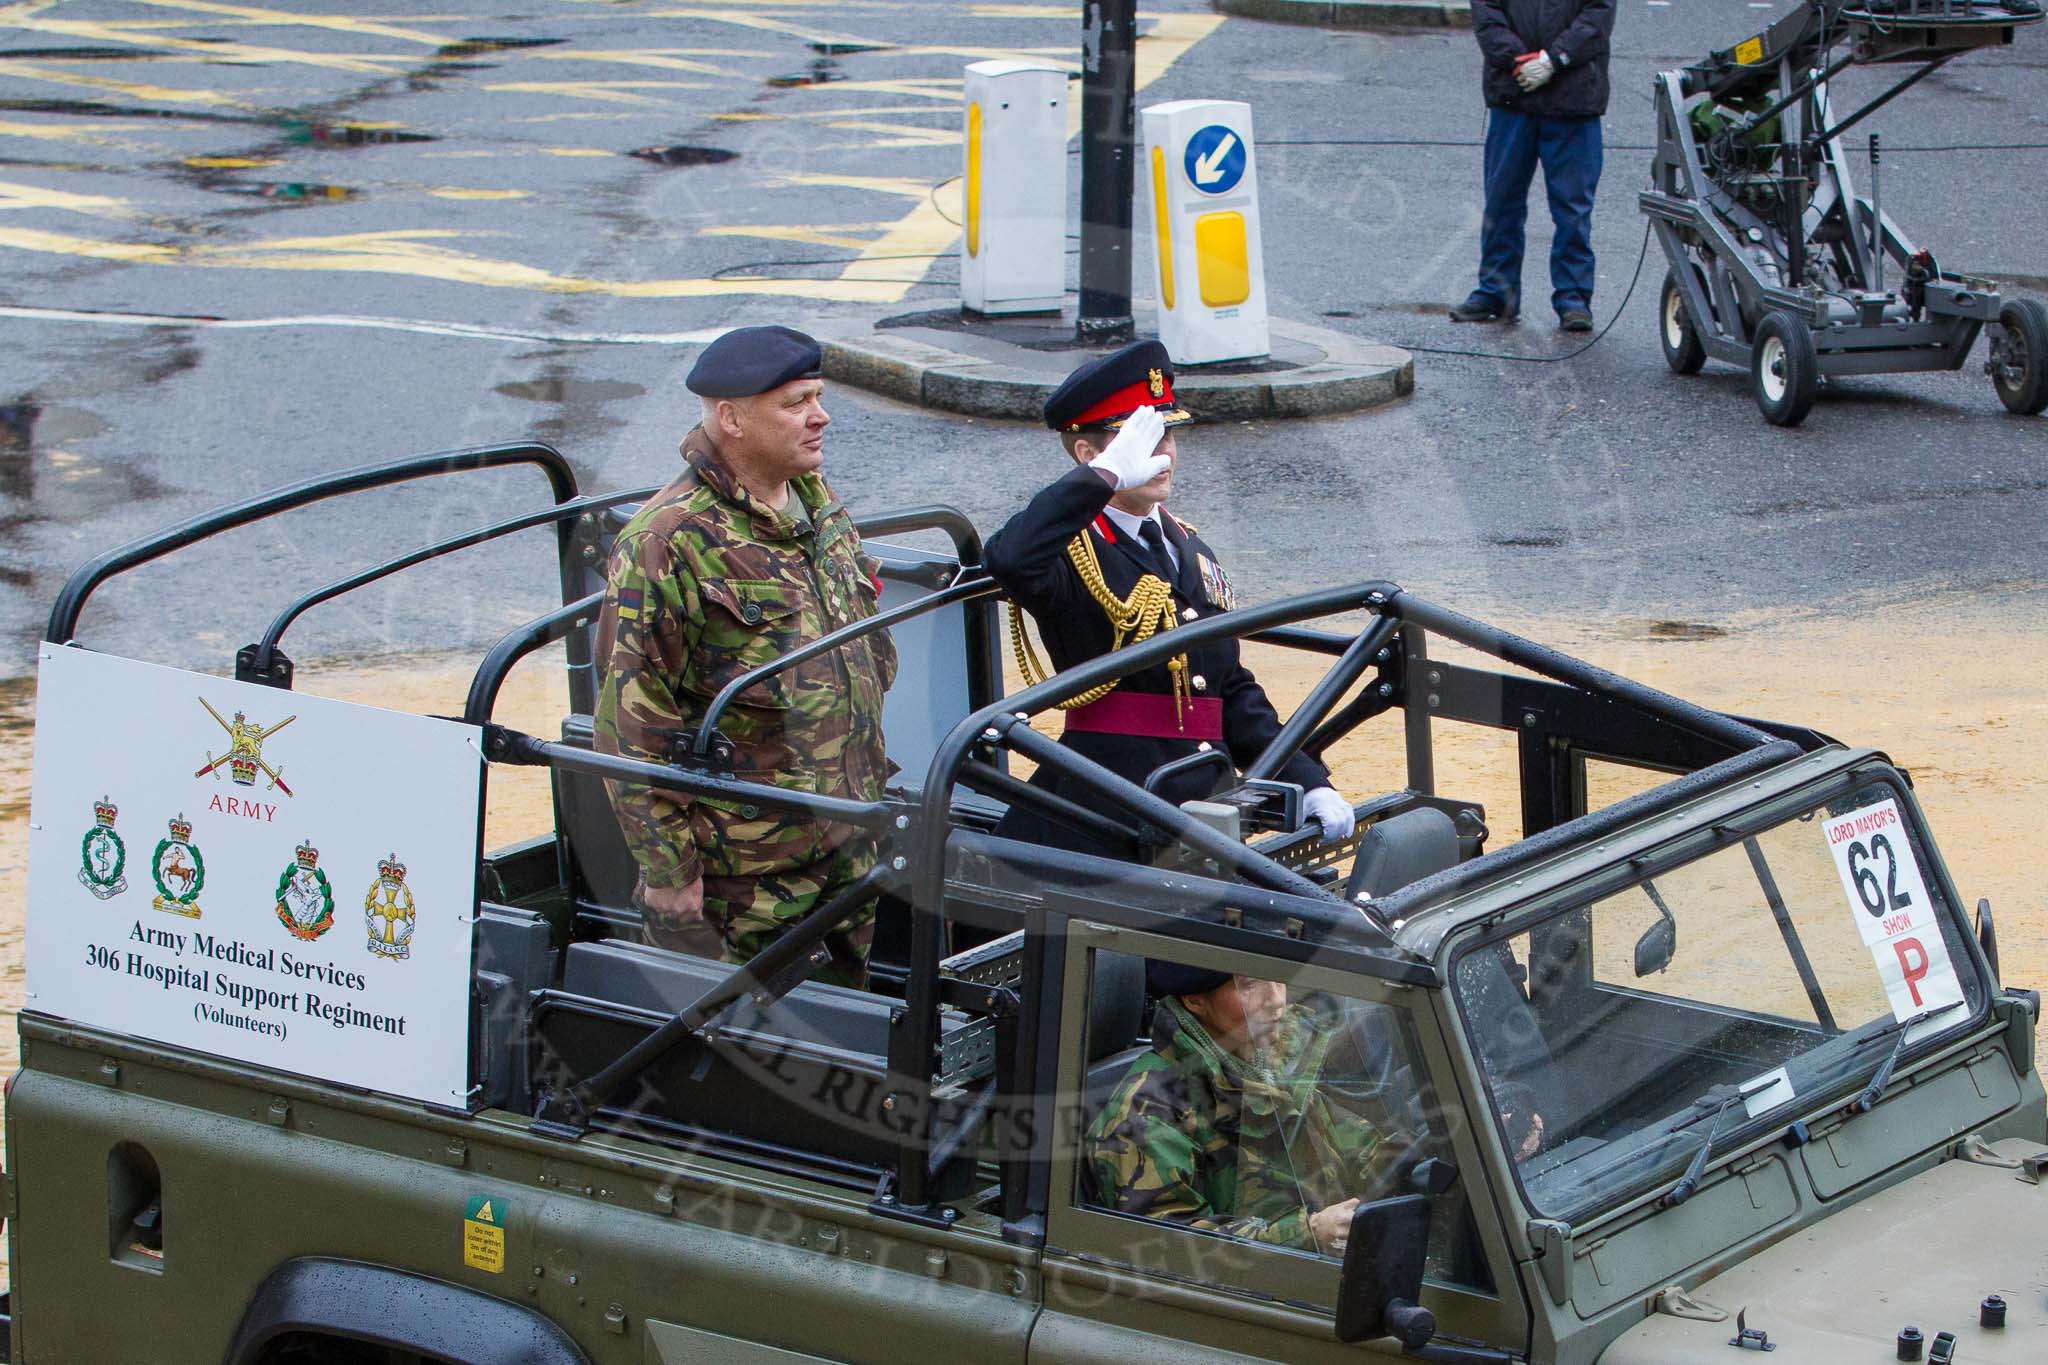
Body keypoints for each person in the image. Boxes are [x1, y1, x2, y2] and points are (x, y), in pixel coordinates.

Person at [593, 325, 895, 988]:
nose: (822, 416)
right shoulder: (669, 539)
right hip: (745, 881)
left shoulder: (814, 500)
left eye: (817, 396)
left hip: (845, 846)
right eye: (796, 403)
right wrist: (671, 872)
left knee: (849, 1044)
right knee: (742, 1073)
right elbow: (629, 726)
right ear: (731, 418)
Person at [982, 340, 1357, 858]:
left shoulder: (1186, 544)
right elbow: (1008, 558)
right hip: (1109, 808)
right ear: (1091, 455)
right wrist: (1103, 478)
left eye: (1167, 435)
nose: (1163, 455)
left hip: (1203, 798)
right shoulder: (1071, 549)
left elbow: (1227, 688)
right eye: (1140, 442)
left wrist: (1307, 778)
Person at [1084, 963, 1393, 1255]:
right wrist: (1309, 1234)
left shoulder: (1265, 1061)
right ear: (1195, 1001)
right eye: (1249, 984)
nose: (1276, 999)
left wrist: (1398, 1162)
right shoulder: (1146, 1116)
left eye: (1277, 975)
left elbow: (1346, 1140)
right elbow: (1171, 1248)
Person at [1452, 0, 1617, 332]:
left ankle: (1573, 297)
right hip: (1515, 96)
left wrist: (1554, 60)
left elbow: (1597, 15)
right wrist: (1521, 60)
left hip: (1573, 99)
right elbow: (1487, 17)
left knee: (1572, 207)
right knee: (1502, 200)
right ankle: (1497, 293)